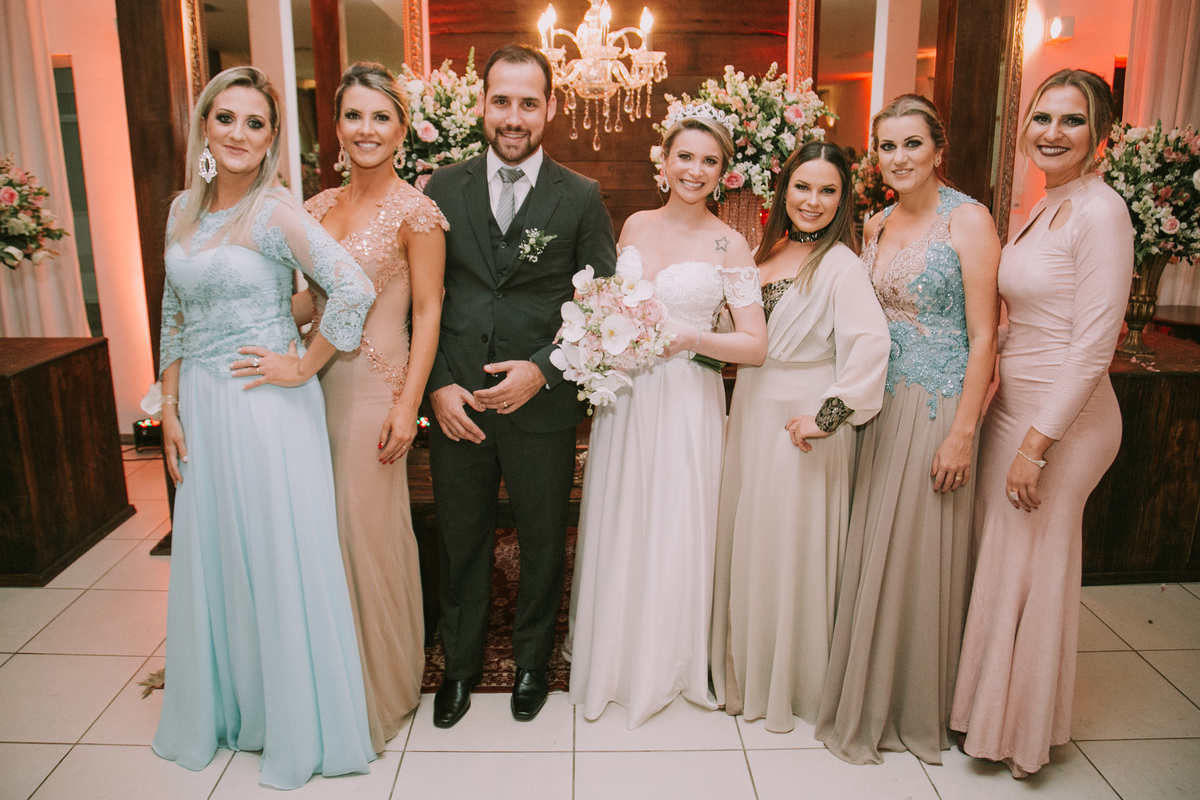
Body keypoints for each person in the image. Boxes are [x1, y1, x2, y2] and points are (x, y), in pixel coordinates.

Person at [151, 66, 376, 790]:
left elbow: (352, 288)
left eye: (256, 123)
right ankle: (235, 707)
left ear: (273, 137)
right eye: (227, 118)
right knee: (218, 553)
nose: (239, 134)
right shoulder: (181, 211)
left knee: (276, 556)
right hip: (203, 409)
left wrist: (304, 365)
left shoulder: (276, 212)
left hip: (265, 408)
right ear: (204, 126)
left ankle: (295, 722)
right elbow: (173, 312)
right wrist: (169, 407)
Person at [422, 43, 617, 728]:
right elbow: (424, 297)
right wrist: (437, 386)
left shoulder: (580, 196)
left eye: (527, 103)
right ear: (482, 105)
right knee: (462, 539)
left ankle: (533, 660)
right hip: (457, 404)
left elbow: (603, 305)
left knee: (541, 540)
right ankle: (460, 665)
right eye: (501, 101)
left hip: (543, 406)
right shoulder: (441, 188)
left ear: (549, 108)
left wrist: (543, 368)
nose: (513, 116)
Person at [950, 69, 1134, 778]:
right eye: (1043, 117)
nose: (1053, 133)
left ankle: (1019, 735)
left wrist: (1036, 445)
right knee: (1005, 562)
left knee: (1035, 565)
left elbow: (1093, 344)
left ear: (1101, 135)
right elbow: (1024, 318)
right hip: (1014, 408)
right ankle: (983, 712)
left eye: (1073, 120)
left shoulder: (1102, 211)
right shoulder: (1044, 202)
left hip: (1064, 422)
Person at [566, 106, 768, 729]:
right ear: (664, 160)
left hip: (685, 398)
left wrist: (689, 339)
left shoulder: (730, 243)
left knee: (676, 518)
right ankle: (616, 655)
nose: (695, 170)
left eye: (710, 161)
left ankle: (669, 660)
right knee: (624, 513)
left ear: (724, 172)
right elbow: (609, 306)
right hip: (627, 398)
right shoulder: (634, 224)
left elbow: (755, 345)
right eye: (685, 156)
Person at [815, 94, 1001, 764]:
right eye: (887, 146)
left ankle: (916, 702)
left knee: (918, 554)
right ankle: (866, 693)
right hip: (880, 406)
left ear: (938, 150)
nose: (898, 158)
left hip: (937, 405)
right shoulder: (875, 223)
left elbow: (986, 339)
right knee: (873, 546)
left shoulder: (969, 220)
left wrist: (963, 433)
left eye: (912, 144)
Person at [711, 142, 890, 732]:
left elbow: (871, 345)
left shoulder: (840, 264)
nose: (813, 201)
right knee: (751, 537)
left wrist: (828, 415)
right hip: (752, 407)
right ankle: (747, 668)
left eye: (828, 190)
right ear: (784, 189)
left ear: (843, 199)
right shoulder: (765, 253)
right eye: (803, 187)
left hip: (802, 419)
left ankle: (793, 682)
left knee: (789, 546)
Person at [298, 62, 446, 753]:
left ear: (402, 128)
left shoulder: (418, 213)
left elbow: (429, 310)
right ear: (336, 126)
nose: (366, 129)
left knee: (366, 535)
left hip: (373, 394)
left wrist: (408, 404)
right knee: (317, 535)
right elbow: (308, 304)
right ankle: (324, 678)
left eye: (381, 116)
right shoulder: (313, 209)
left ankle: (377, 687)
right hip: (310, 390)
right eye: (354, 115)